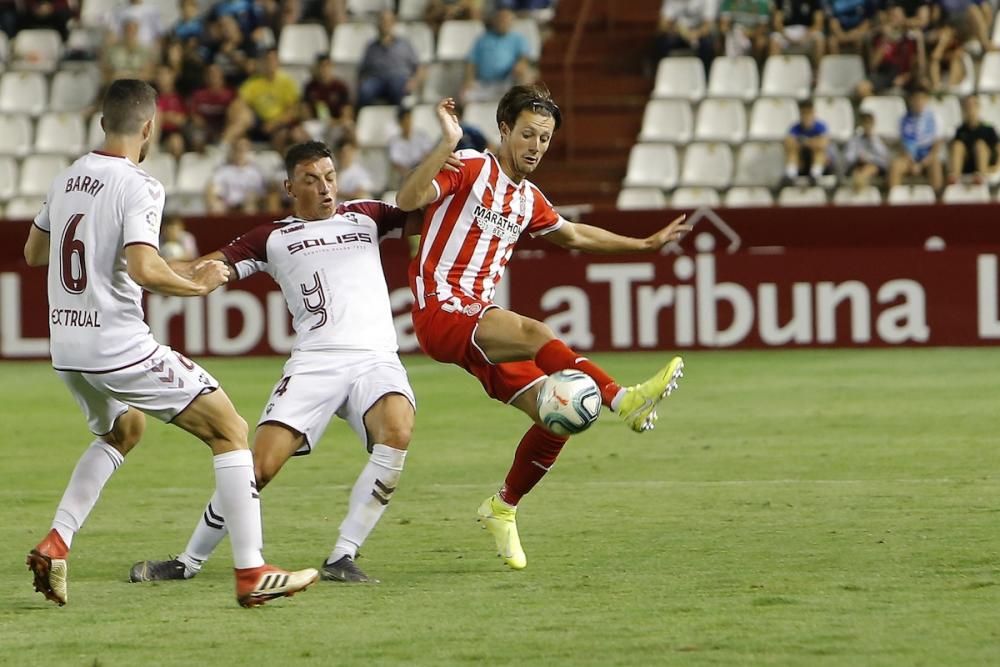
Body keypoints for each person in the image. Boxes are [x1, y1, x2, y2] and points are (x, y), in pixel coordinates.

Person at [21, 79, 318, 608]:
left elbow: (34, 252)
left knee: (124, 429)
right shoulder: (141, 185)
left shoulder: (65, 178)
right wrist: (194, 285)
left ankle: (56, 541)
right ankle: (251, 571)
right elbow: (143, 268)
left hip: (66, 346)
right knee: (230, 429)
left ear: (101, 123)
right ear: (150, 128)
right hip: (117, 345)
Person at [395, 86, 691, 571]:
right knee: (536, 332)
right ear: (505, 130)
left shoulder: (528, 198)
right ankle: (623, 399)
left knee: (564, 413)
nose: (536, 146)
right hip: (442, 312)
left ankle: (503, 507)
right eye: (528, 134)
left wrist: (643, 245)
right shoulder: (469, 167)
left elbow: (574, 234)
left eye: (546, 139)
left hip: (477, 325)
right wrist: (446, 143)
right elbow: (407, 198)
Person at [129, 141, 421, 585]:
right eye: (311, 180)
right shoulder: (272, 238)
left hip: (375, 359)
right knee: (257, 466)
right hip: (315, 363)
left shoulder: (369, 216)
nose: (325, 188)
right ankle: (187, 562)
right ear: (289, 186)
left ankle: (343, 555)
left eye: (329, 177)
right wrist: (137, 266)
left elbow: (421, 203)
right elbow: (204, 266)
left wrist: (448, 151)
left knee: (397, 430)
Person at [462, 8, 533, 103]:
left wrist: (519, 66)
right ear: (495, 21)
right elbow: (471, 61)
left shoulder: (518, 39)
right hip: (483, 83)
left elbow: (523, 58)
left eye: (506, 20)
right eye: (500, 19)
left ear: (511, 22)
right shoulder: (483, 39)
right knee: (464, 96)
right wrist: (468, 81)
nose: (503, 22)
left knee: (525, 74)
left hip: (507, 83)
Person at [356, 10, 423, 108]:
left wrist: (414, 82)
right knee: (365, 90)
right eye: (382, 21)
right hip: (376, 80)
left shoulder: (404, 44)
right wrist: (361, 83)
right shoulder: (371, 47)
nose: (385, 24)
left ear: (393, 23)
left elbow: (419, 67)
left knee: (398, 87)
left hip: (398, 79)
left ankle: (400, 119)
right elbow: (362, 70)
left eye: (388, 21)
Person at [856, 4, 924, 98]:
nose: (895, 20)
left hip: (906, 74)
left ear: (904, 18)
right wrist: (885, 39)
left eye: (897, 17)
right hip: (885, 74)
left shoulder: (910, 38)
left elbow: (918, 65)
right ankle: (880, 109)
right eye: (892, 16)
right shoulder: (880, 37)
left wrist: (906, 76)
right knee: (862, 88)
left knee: (924, 84)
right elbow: (873, 64)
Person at [889, 86, 943, 192]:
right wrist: (912, 163)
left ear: (926, 100)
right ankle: (893, 200)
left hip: (927, 158)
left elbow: (936, 147)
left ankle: (937, 199)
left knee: (936, 165)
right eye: (916, 99)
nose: (919, 102)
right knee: (895, 166)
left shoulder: (935, 118)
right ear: (911, 100)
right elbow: (902, 145)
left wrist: (922, 164)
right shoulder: (902, 120)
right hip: (908, 158)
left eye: (922, 99)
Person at [206, 137, 270, 214]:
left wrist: (254, 199)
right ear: (233, 151)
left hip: (249, 205)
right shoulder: (224, 171)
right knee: (216, 206)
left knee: (250, 206)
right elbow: (213, 188)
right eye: (238, 149)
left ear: (249, 151)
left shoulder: (256, 172)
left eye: (243, 150)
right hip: (227, 206)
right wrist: (217, 201)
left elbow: (262, 194)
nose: (240, 153)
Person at [654, 0, 718, 74]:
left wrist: (695, 34)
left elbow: (709, 25)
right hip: (678, 33)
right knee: (661, 42)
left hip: (699, 33)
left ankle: (706, 76)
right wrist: (678, 30)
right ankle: (663, 75)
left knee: (708, 45)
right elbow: (663, 24)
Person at [948, 95, 999, 184]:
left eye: (973, 105)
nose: (970, 109)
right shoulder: (960, 130)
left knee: (980, 145)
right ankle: (954, 177)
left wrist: (997, 168)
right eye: (968, 106)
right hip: (967, 165)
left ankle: (981, 175)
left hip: (986, 164)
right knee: (957, 145)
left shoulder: (988, 129)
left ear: (978, 107)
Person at [783, 100, 831, 185]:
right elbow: (788, 143)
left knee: (819, 151)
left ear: (813, 113)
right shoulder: (795, 128)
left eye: (809, 113)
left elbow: (823, 144)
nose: (806, 116)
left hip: (820, 162)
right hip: (801, 161)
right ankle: (790, 176)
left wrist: (804, 142)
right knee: (792, 151)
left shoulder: (821, 127)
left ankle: (815, 176)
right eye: (804, 113)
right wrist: (812, 142)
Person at [844, 111, 891, 190]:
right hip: (857, 165)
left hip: (874, 166)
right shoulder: (854, 139)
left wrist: (869, 158)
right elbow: (848, 158)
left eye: (869, 123)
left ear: (873, 124)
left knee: (868, 169)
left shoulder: (877, 140)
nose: (867, 126)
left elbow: (884, 161)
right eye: (865, 123)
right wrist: (858, 157)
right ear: (861, 124)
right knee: (857, 172)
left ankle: (859, 190)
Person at [770, 0, 825, 66]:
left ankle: (818, 72)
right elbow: (777, 23)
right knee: (774, 38)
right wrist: (787, 37)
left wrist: (806, 36)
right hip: (786, 33)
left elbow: (819, 23)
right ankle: (776, 71)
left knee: (819, 37)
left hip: (807, 32)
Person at [388, 106, 436, 181]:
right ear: (400, 123)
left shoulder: (421, 135)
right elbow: (396, 163)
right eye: (405, 120)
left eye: (409, 119)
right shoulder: (394, 141)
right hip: (405, 176)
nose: (408, 123)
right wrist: (408, 175)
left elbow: (428, 153)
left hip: (422, 171)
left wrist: (420, 170)